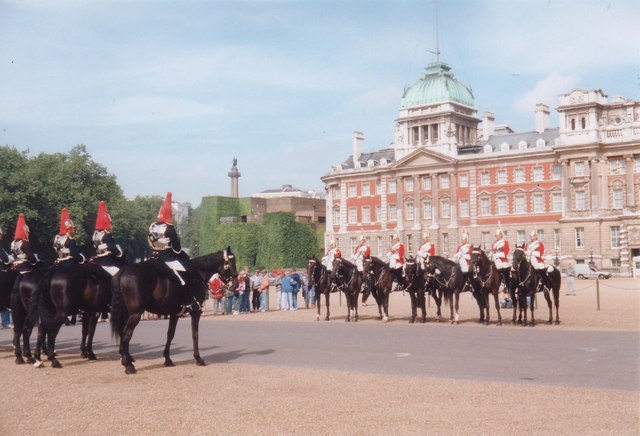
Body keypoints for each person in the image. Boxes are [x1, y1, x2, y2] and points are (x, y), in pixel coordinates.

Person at [148, 192, 192, 301]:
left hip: (153, 256)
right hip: (166, 258)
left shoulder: (152, 226)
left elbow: (149, 241)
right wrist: (176, 251)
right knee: (185, 274)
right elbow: (177, 248)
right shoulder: (170, 227)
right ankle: (185, 300)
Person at [92, 200, 124, 274]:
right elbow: (112, 249)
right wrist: (119, 252)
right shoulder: (107, 235)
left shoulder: (95, 235)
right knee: (120, 275)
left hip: (96, 261)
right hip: (107, 262)